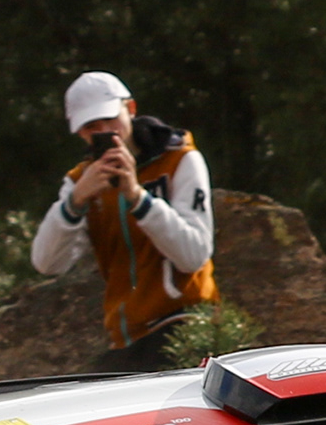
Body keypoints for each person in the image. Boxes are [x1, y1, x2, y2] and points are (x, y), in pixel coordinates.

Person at [29, 71, 218, 369]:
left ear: (131, 109)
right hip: (127, 338)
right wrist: (76, 202)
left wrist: (137, 197)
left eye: (110, 119)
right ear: (79, 132)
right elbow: (46, 263)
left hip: (186, 324)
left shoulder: (180, 160)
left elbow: (193, 255)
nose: (105, 131)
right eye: (92, 126)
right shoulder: (81, 181)